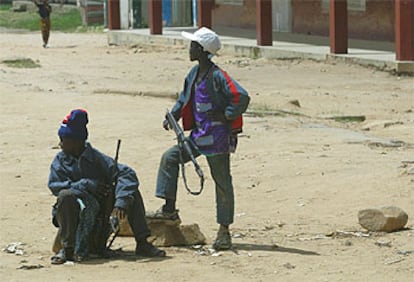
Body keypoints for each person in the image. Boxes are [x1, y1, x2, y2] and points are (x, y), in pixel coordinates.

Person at [146, 27, 250, 250]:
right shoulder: (193, 74)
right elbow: (183, 99)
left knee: (222, 182)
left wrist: (227, 115)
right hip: (197, 137)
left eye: (193, 45)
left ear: (203, 51)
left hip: (218, 139)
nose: (189, 48)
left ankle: (224, 231)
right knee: (170, 158)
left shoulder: (218, 76)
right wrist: (172, 116)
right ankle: (169, 209)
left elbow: (241, 97)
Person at [48, 109, 166, 264]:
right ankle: (67, 248)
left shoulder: (96, 158)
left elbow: (127, 174)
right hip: (72, 217)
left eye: (63, 139)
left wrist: (121, 201)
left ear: (76, 142)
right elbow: (54, 185)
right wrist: (85, 185)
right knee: (66, 196)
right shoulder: (60, 161)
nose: (60, 143)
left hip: (100, 217)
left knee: (131, 192)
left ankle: (143, 243)